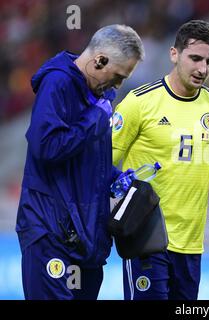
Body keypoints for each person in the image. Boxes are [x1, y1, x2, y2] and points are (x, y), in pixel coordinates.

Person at [112, 19, 209, 300]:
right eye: (195, 58)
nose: (202, 69)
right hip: (145, 237)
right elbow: (104, 162)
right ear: (174, 54)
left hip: (191, 245)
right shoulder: (139, 103)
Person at [16, 24, 144, 300]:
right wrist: (94, 119)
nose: (119, 85)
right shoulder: (58, 83)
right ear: (100, 60)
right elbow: (45, 147)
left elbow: (86, 162)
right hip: (50, 230)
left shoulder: (100, 97)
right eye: (119, 76)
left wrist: (115, 178)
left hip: (86, 238)